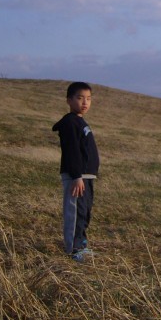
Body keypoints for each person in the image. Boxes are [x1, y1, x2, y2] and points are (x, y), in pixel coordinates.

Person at [53, 82, 100, 261]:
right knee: (75, 212)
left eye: (88, 99)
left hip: (86, 177)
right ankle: (73, 249)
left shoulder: (80, 121)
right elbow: (72, 150)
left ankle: (81, 243)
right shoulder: (70, 122)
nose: (85, 102)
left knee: (84, 211)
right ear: (69, 100)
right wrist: (76, 176)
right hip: (77, 177)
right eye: (79, 98)